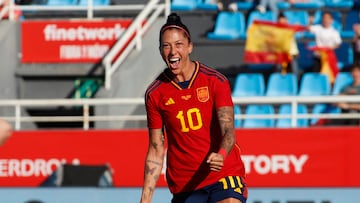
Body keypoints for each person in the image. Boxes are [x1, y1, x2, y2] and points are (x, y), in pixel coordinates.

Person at [140, 13, 247, 203]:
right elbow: (156, 149)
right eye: (166, 46)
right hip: (185, 184)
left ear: (189, 47)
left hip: (223, 174)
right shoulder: (155, 94)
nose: (173, 51)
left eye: (178, 44)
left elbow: (228, 132)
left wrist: (221, 155)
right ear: (160, 51)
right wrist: (145, 199)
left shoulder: (215, 81)